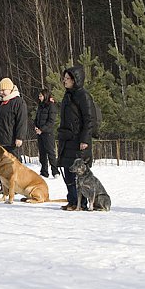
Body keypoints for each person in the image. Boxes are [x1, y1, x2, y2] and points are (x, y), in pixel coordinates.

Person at [57, 66, 94, 211]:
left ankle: (82, 203)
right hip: (67, 140)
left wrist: (84, 139)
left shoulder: (83, 96)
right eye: (64, 78)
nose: (64, 81)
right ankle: (72, 200)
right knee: (68, 171)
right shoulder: (67, 96)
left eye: (67, 79)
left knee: (80, 174)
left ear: (75, 80)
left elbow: (89, 119)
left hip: (79, 141)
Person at [34, 88, 60, 178]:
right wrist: (36, 126)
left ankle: (55, 171)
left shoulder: (51, 106)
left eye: (41, 96)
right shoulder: (40, 106)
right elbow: (37, 117)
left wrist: (42, 129)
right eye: (39, 96)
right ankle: (44, 171)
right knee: (42, 153)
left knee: (51, 152)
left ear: (45, 96)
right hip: (40, 133)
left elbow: (51, 121)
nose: (39, 97)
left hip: (48, 133)